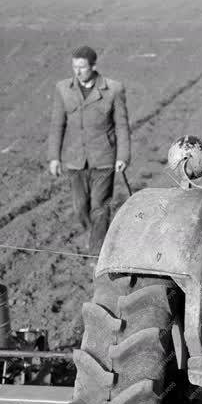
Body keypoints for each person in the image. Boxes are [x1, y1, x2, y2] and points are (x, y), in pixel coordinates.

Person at [48, 45, 131, 255]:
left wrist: (123, 156)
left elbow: (121, 125)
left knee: (100, 207)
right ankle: (95, 235)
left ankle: (97, 252)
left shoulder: (113, 89)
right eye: (74, 67)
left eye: (82, 67)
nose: (77, 72)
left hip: (103, 158)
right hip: (75, 160)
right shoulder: (63, 89)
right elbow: (57, 124)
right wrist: (54, 157)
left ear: (93, 66)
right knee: (80, 208)